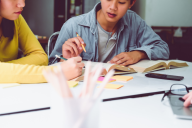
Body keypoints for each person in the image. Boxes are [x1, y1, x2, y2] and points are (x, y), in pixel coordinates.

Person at [49, 0, 170, 66]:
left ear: (131, 3)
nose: (113, 7)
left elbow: (163, 48)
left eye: (121, 2)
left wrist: (138, 54)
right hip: (84, 93)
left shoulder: (135, 22)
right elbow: (51, 66)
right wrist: (64, 61)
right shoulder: (73, 25)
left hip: (122, 89)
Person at [0, 0, 84, 83]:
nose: (22, 4)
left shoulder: (15, 20)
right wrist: (56, 73)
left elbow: (41, 57)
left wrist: (6, 69)